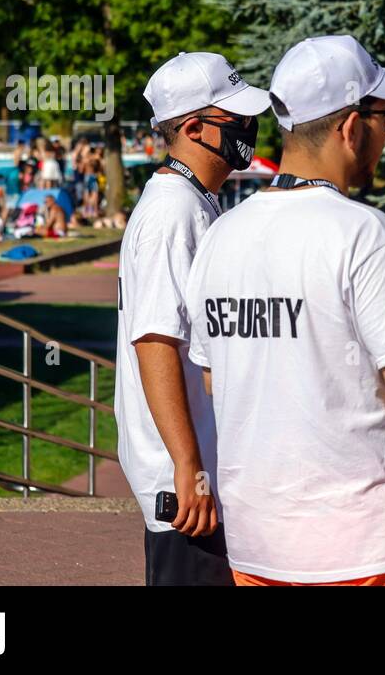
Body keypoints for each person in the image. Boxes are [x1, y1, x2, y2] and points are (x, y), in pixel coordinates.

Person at [184, 34, 385, 586]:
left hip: (258, 541)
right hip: (363, 545)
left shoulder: (222, 235)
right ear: (351, 127)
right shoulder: (362, 232)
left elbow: (215, 378)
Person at [114, 51, 271, 587]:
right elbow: (155, 341)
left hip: (197, 468)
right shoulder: (172, 211)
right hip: (183, 484)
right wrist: (189, 466)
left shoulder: (193, 201)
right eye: (236, 120)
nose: (249, 128)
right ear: (194, 127)